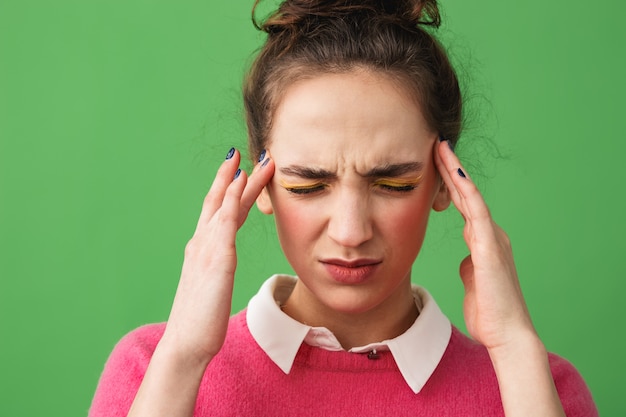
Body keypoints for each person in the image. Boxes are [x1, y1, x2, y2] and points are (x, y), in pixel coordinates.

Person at [89, 0, 598, 415]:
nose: (351, 233)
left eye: (393, 182)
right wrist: (184, 357)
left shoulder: (539, 385)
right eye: (308, 186)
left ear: (446, 182)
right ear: (260, 185)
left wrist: (514, 350)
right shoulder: (150, 371)